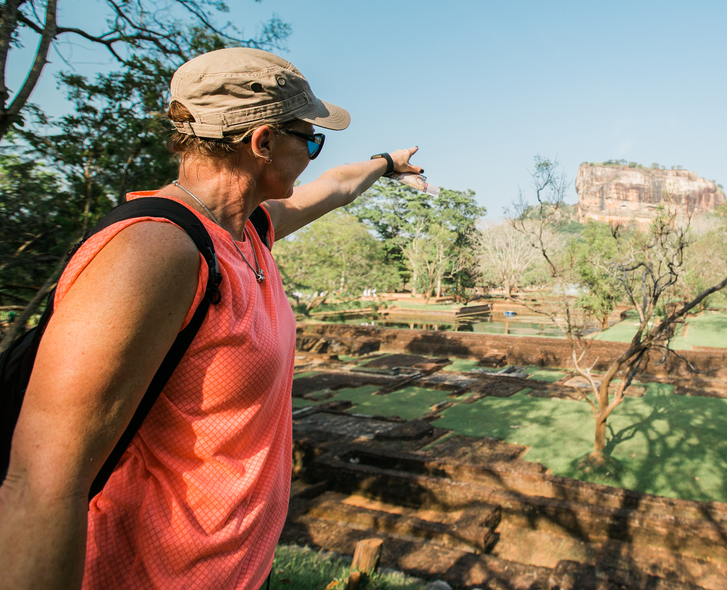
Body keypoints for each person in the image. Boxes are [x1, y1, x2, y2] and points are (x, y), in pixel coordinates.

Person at [0, 48, 422, 589]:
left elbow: (337, 186)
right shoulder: (155, 253)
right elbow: (41, 483)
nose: (316, 155)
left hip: (236, 570)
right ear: (263, 142)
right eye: (311, 140)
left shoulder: (248, 229)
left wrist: (386, 163)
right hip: (153, 575)